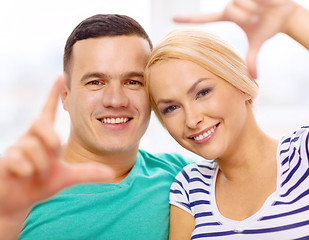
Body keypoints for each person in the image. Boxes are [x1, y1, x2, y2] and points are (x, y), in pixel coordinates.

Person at [144, 0, 309, 239]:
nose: (192, 119)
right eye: (171, 108)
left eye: (203, 92)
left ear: (243, 84)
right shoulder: (190, 187)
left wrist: (294, 19)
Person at [0, 14, 191, 240]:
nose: (116, 100)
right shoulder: (18, 188)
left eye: (133, 81)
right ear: (66, 96)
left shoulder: (183, 178)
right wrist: (7, 218)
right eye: (95, 82)